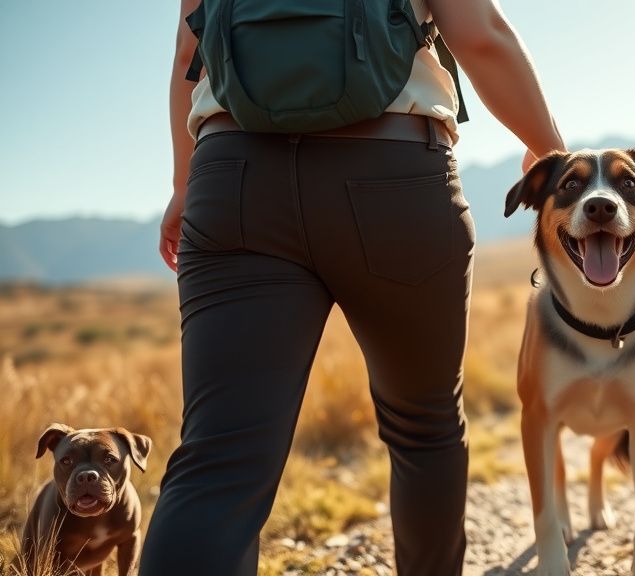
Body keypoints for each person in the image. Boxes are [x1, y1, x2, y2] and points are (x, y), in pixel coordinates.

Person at [141, 0, 564, 574]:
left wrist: (185, 183)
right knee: (424, 427)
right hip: (393, 174)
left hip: (234, 179)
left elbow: (189, 50)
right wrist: (553, 157)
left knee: (219, 460)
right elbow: (483, 36)